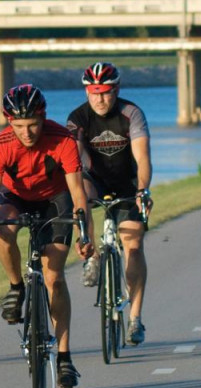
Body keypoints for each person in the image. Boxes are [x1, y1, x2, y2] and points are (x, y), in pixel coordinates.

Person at [0, 84, 94, 388]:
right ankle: (16, 286)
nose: (27, 133)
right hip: (16, 197)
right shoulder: (0, 145)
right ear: (9, 122)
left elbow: (78, 193)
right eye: (19, 127)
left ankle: (64, 357)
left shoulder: (63, 140)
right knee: (4, 225)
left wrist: (85, 235)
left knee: (54, 276)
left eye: (33, 125)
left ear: (43, 118)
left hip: (55, 199)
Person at [66, 62, 154, 347]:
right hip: (95, 179)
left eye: (104, 93)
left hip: (127, 183)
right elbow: (74, 163)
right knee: (80, 193)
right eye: (93, 93)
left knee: (134, 245)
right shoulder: (77, 118)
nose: (99, 100)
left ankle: (135, 318)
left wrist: (142, 191)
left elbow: (143, 159)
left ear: (116, 90)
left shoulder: (131, 114)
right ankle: (92, 256)